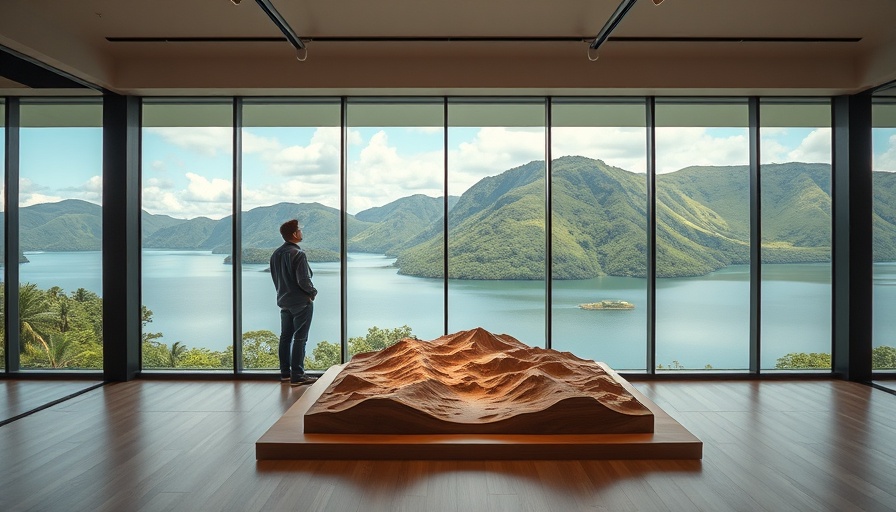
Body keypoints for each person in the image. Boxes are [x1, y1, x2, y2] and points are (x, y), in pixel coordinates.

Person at [270, 219, 318, 386]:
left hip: (283, 301)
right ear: (294, 234)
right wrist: (312, 292)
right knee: (300, 338)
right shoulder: (298, 254)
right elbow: (303, 280)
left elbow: (276, 279)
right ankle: (297, 375)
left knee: (285, 337)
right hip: (300, 302)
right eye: (300, 230)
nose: (301, 232)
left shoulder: (275, 254)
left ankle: (285, 373)